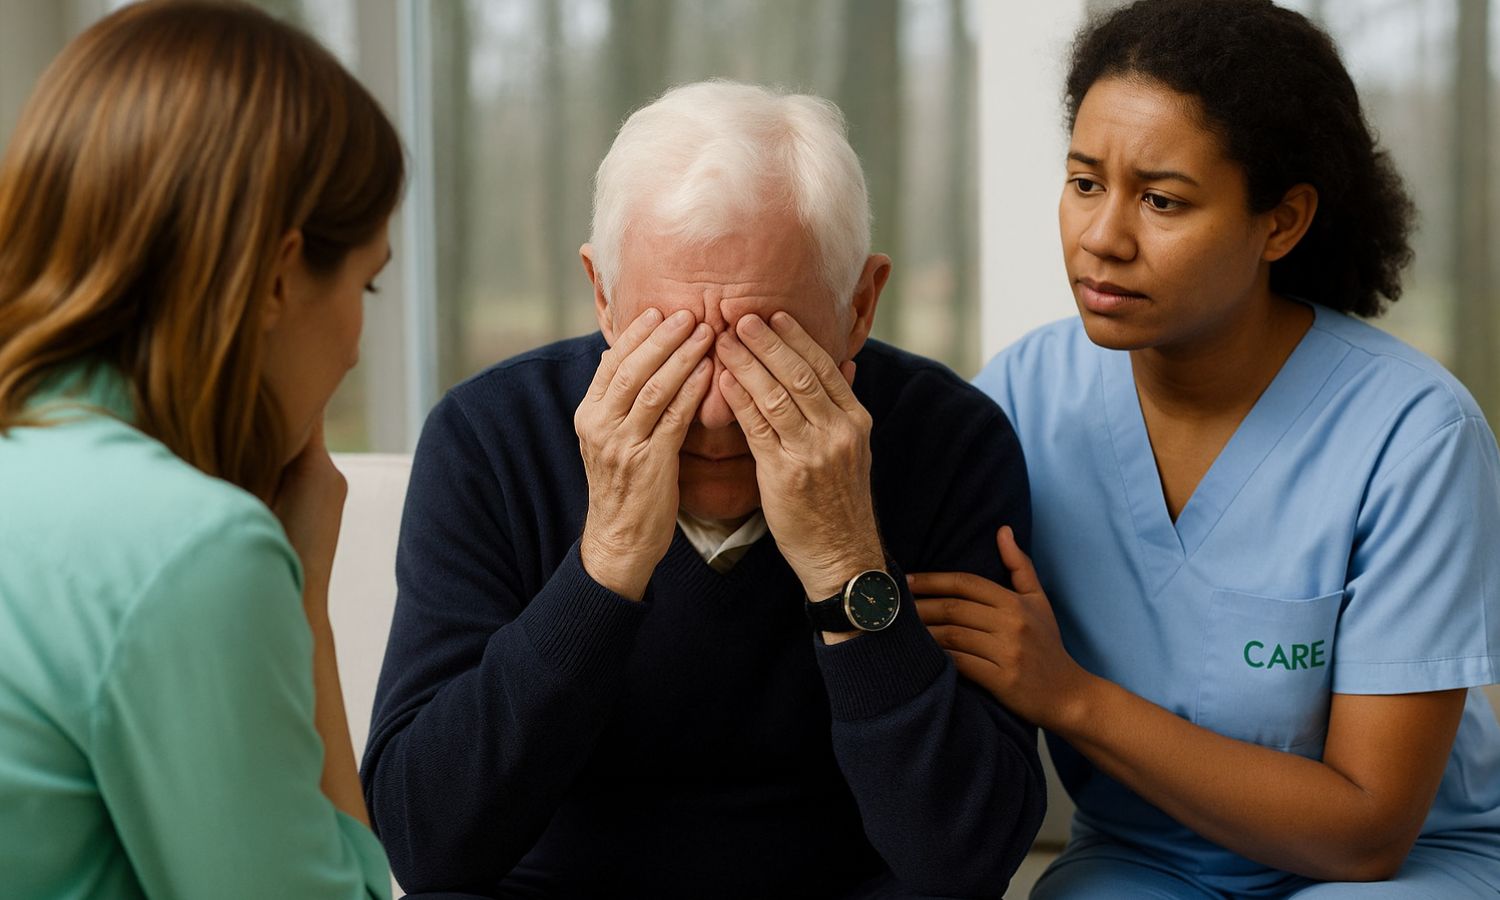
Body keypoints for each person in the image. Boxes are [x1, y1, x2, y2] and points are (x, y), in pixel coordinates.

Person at [362, 80, 1045, 899]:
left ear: (859, 305)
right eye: (674, 345)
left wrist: (845, 561)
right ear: (604, 297)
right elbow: (425, 842)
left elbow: (963, 861)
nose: (716, 415)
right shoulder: (488, 440)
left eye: (765, 347)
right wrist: (607, 563)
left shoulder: (953, 443)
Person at [912, 0, 1500, 896]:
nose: (1103, 237)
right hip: (1148, 862)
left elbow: (1369, 831)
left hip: (1403, 866)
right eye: (1083, 183)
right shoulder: (1022, 399)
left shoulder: (1415, 436)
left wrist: (1068, 696)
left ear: (1282, 222)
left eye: (1161, 200)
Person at [0, 2, 403, 897]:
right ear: (275, 276)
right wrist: (306, 600)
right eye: (366, 283)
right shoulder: (190, 548)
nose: (355, 345)